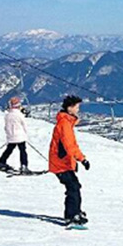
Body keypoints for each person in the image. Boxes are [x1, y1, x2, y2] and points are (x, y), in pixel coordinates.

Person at [49, 95, 90, 227]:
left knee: (74, 186)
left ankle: (75, 211)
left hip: (64, 162)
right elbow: (69, 145)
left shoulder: (67, 122)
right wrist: (82, 159)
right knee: (73, 187)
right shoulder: (64, 124)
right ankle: (71, 215)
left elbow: (72, 144)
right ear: (69, 108)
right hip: (61, 162)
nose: (78, 109)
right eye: (77, 107)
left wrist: (80, 158)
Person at [0, 97, 29, 173]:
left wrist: (9, 135)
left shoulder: (7, 115)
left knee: (9, 149)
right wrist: (25, 135)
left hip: (11, 136)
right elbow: (24, 126)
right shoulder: (20, 115)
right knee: (22, 151)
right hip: (20, 136)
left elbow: (6, 127)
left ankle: (2, 162)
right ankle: (24, 166)